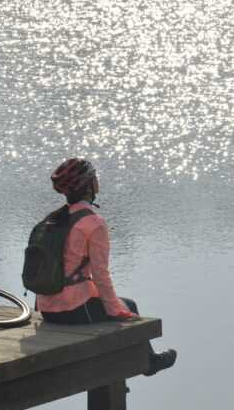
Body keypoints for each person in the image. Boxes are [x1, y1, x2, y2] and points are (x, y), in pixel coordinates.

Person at [37, 158, 177, 375]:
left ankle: (140, 362)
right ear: (90, 185)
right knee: (128, 306)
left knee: (125, 305)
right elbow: (100, 275)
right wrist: (116, 311)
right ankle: (148, 363)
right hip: (72, 310)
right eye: (95, 177)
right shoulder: (93, 223)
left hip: (46, 309)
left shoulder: (54, 219)